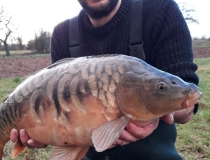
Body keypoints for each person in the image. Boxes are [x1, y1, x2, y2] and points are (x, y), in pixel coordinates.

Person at [10, 0, 199, 159]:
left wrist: (166, 112)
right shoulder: (61, 34)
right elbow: (55, 111)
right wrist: (42, 133)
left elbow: (188, 104)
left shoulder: (161, 11)